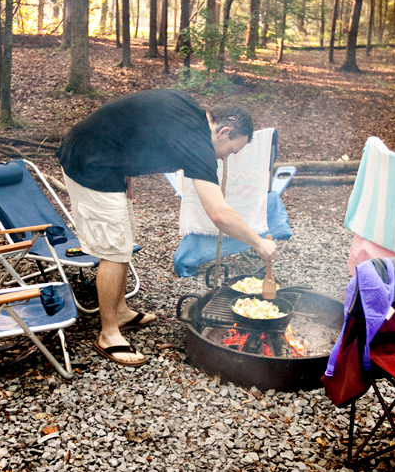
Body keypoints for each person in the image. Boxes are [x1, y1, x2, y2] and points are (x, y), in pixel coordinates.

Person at [56, 88, 277, 367]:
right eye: (231, 150)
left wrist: (126, 168)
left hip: (107, 161)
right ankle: (108, 334)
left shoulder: (190, 110)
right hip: (88, 163)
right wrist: (259, 242)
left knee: (123, 240)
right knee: (113, 250)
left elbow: (132, 120)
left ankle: (120, 310)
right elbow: (219, 213)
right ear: (222, 132)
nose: (225, 158)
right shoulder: (198, 143)